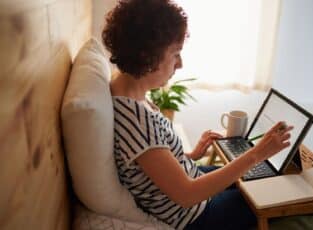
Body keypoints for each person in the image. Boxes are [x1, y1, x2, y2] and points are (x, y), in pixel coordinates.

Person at [102, 0, 293, 229]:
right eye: (175, 54)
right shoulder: (135, 120)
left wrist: (191, 155)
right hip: (196, 215)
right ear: (147, 56)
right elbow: (187, 194)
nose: (180, 64)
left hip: (193, 181)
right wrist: (257, 153)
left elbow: (151, 162)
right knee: (270, 193)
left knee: (260, 178)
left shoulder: (131, 96)